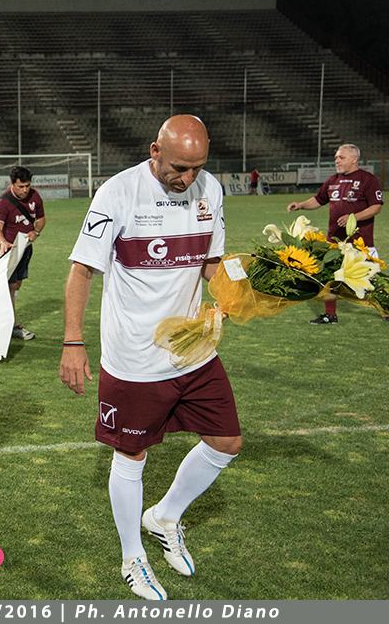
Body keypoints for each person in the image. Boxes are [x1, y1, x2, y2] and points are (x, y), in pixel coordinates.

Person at [60, 116, 240, 600]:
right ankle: (132, 557)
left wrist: (255, 288)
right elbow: (82, 271)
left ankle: (163, 517)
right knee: (131, 454)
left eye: (197, 168)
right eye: (179, 168)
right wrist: (73, 341)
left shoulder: (210, 190)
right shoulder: (118, 193)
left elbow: (211, 264)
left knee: (226, 441)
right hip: (135, 357)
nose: (187, 178)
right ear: (154, 150)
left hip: (193, 349)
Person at [287, 144, 383, 325]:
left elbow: (376, 207)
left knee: (373, 280)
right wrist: (300, 205)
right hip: (335, 242)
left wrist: (353, 217)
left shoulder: (368, 180)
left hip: (361, 242)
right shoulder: (333, 180)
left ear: (354, 159)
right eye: (336, 158)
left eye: (341, 157)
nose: (337, 160)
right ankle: (330, 315)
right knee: (329, 278)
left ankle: (386, 310)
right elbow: (318, 200)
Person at [0, 165, 45, 341]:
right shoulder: (3, 202)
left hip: (24, 248)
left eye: (27, 185)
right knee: (8, 286)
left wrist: (36, 232)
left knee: (16, 285)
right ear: (12, 184)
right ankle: (10, 324)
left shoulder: (35, 196)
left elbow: (41, 219)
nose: (25, 190)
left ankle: (4, 318)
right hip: (6, 249)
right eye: (21, 186)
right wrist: (2, 242)